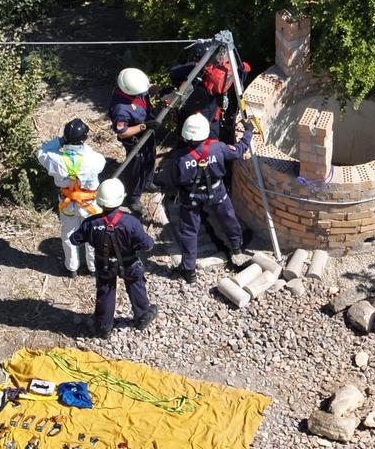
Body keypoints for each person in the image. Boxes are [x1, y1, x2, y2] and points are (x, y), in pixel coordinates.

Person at [165, 113, 252, 283]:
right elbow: (238, 151)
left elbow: (173, 180)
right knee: (228, 218)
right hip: (217, 192)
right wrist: (248, 133)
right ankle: (236, 246)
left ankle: (189, 270)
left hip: (191, 197)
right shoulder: (218, 148)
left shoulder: (179, 158)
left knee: (189, 231)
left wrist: (174, 192)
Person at [69, 179, 158, 339]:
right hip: (129, 262)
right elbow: (148, 245)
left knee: (105, 291)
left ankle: (103, 327)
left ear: (100, 200)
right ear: (121, 198)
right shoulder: (132, 222)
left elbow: (75, 240)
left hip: (104, 264)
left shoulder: (91, 223)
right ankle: (143, 315)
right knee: (136, 284)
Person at [36, 118, 106, 278]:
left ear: (65, 138)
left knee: (68, 235)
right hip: (89, 204)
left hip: (68, 203)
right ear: (84, 139)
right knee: (92, 236)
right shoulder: (93, 160)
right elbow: (100, 161)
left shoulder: (54, 159)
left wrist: (59, 141)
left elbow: (40, 152)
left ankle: (72, 267)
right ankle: (93, 267)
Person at [108, 67, 161, 215]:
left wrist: (160, 91)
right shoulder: (121, 108)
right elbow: (123, 132)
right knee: (136, 168)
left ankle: (149, 182)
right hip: (135, 139)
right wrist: (143, 126)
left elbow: (148, 88)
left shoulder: (135, 83)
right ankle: (133, 198)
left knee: (151, 156)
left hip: (147, 132)